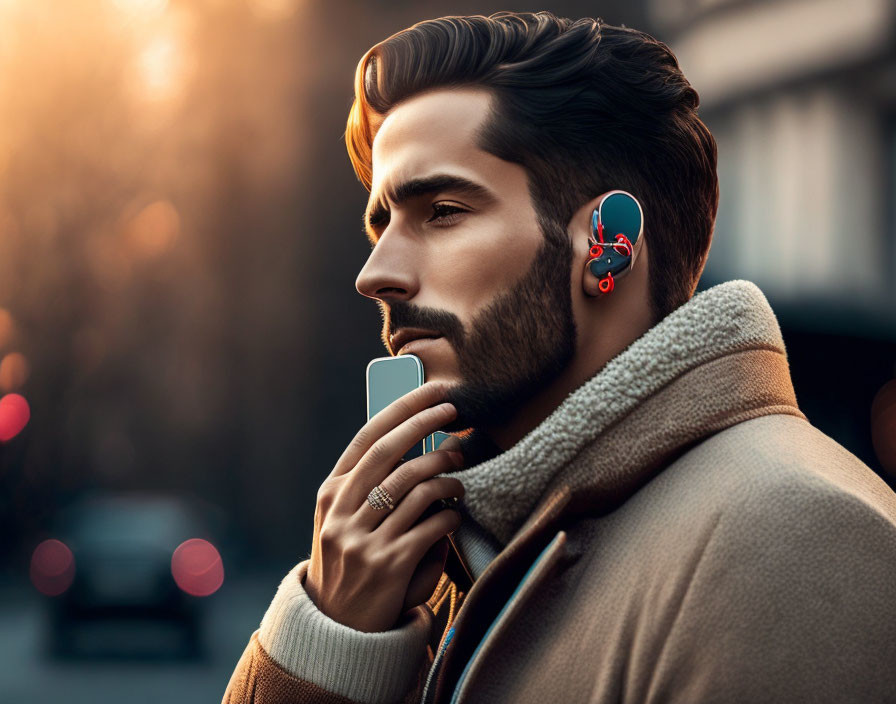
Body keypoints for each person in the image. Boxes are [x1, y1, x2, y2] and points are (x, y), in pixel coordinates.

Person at [223, 11, 896, 704]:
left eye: (444, 211)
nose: (376, 273)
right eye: (382, 223)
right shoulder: (444, 557)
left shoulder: (791, 541)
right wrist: (333, 642)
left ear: (607, 245)